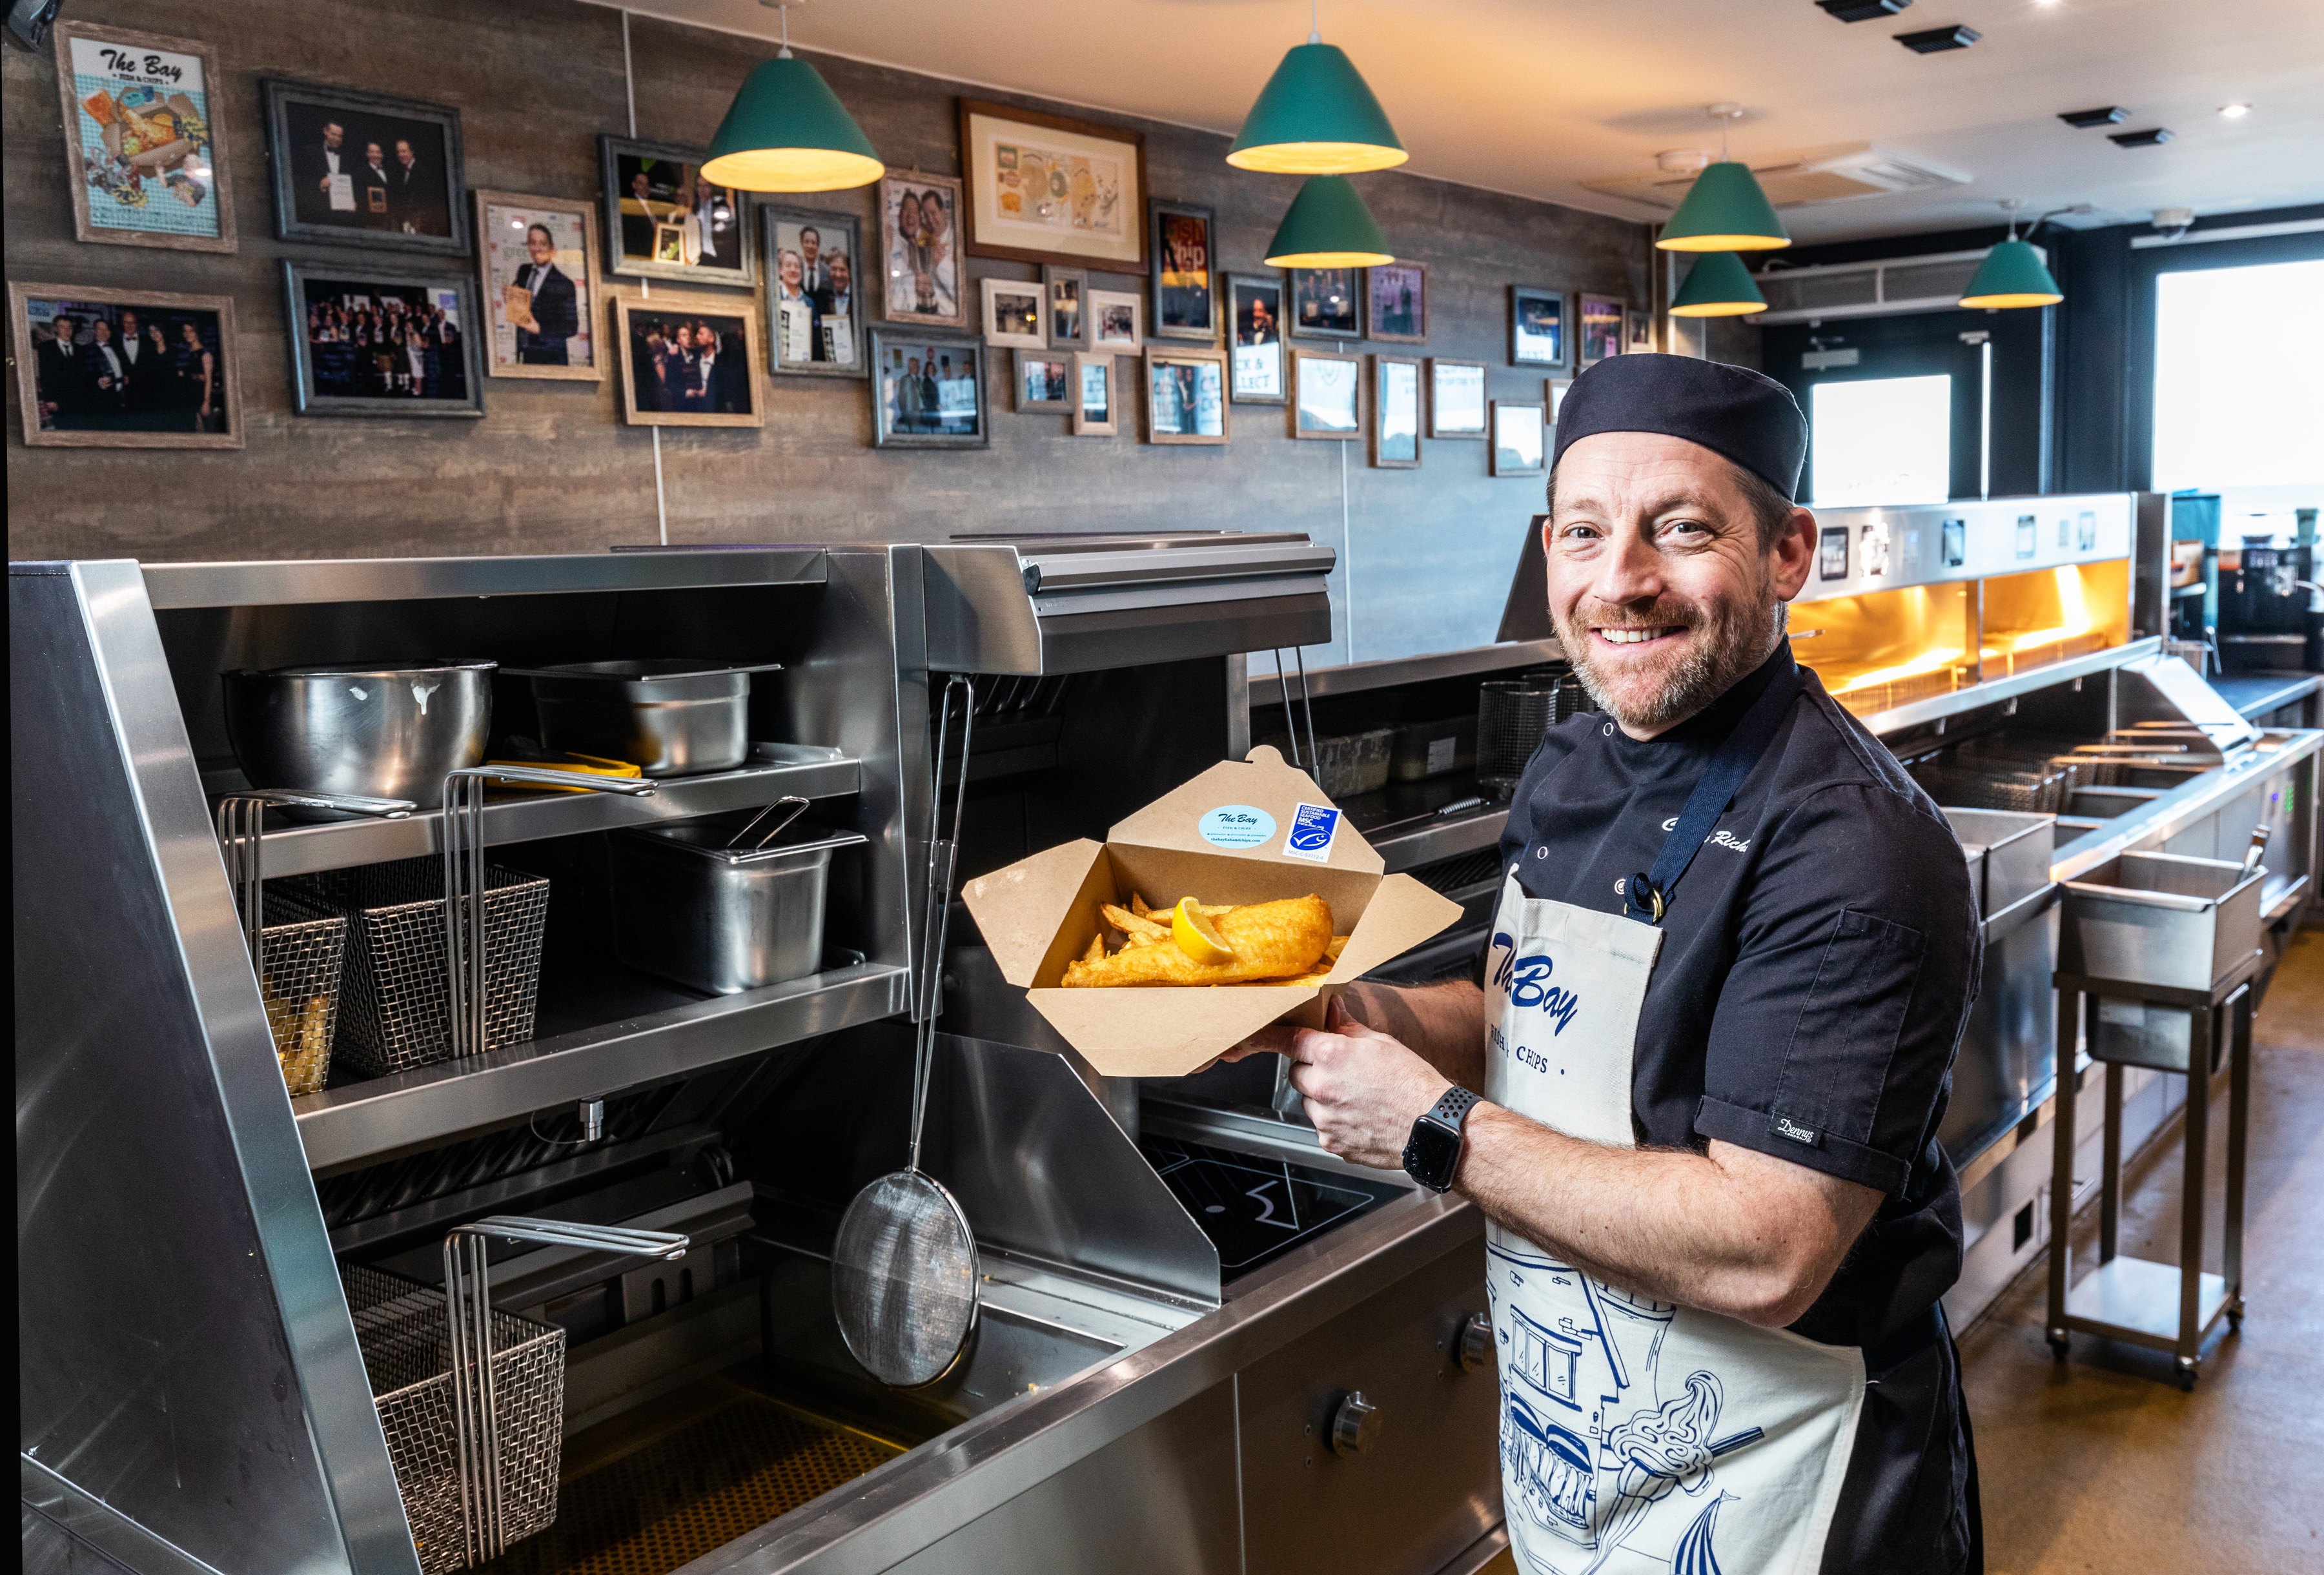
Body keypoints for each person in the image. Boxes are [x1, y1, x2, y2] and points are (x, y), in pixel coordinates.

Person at [1225, 353, 1984, 1575]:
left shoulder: (1854, 847)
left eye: (1680, 531)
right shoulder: (1573, 763)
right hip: (1587, 1462)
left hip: (1790, 1493)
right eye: (1585, 533)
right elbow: (1521, 1008)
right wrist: (1350, 1013)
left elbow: (1769, 1244)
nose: (1620, 581)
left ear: (1788, 554)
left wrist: (1436, 1129)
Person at [510, 222, 579, 366]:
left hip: (553, 361)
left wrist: (539, 328)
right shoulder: (524, 271)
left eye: (543, 243)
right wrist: (510, 297)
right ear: (528, 246)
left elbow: (571, 327)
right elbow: (521, 312)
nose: (537, 248)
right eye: (533, 243)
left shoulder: (565, 284)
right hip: (526, 355)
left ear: (552, 247)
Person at [35, 314, 93, 430]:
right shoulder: (46, 348)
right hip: (58, 402)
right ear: (56, 329)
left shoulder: (81, 349)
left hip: (80, 402)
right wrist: (50, 399)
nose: (67, 331)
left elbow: (85, 376)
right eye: (62, 327)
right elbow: (45, 375)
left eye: (69, 327)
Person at [292, 117, 354, 225]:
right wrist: (319, 184)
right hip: (318, 213)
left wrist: (354, 202)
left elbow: (355, 183)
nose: (337, 139)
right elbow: (300, 181)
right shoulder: (311, 152)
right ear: (325, 131)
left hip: (343, 216)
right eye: (334, 135)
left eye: (340, 136)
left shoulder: (347, 157)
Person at [689, 174, 740, 270]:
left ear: (712, 187)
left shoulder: (720, 206)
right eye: (700, 186)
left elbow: (733, 225)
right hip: (699, 259)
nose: (702, 189)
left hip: (720, 257)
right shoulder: (694, 208)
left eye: (706, 186)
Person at [387, 137, 433, 234]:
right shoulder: (399, 171)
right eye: (398, 152)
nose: (400, 155)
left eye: (404, 151)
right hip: (403, 220)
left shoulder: (422, 172)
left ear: (412, 152)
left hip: (419, 223)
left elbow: (427, 201)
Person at [622, 167, 662, 260]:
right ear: (634, 185)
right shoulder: (631, 206)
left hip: (653, 257)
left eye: (647, 184)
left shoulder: (651, 206)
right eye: (641, 184)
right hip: (639, 258)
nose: (645, 188)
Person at [358, 141, 392, 230]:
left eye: (378, 152)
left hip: (391, 220)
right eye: (372, 152)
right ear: (367, 154)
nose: (375, 155)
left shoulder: (390, 172)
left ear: (382, 155)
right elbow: (361, 197)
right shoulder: (362, 173)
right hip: (372, 221)